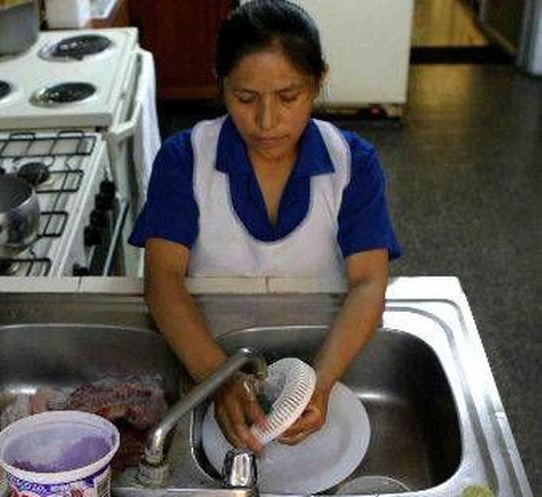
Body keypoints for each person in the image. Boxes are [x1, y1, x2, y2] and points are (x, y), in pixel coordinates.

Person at [129, 0, 401, 452]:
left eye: (288, 97)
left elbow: (369, 282)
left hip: (322, 350)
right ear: (221, 85)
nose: (267, 121)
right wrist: (218, 377)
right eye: (245, 98)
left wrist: (321, 383)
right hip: (206, 350)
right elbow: (163, 281)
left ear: (318, 82)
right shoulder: (184, 160)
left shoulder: (353, 164)